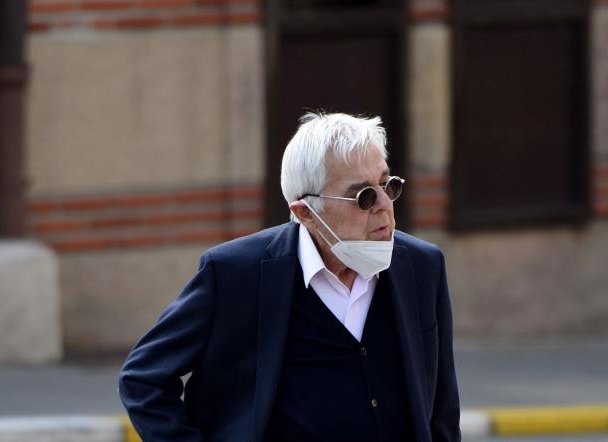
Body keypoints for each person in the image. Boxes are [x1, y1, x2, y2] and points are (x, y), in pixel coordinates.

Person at [118, 112, 461, 442]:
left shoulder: (421, 266)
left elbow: (442, 409)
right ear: (306, 213)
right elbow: (143, 379)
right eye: (364, 196)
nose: (384, 204)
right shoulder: (235, 274)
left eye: (388, 184)